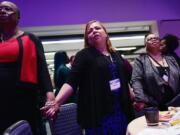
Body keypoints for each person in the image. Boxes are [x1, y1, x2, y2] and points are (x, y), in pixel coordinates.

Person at [42, 20, 134, 135]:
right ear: (87, 38)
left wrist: (131, 93)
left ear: (106, 34)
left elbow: (123, 78)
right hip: (98, 113)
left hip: (120, 110)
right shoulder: (84, 55)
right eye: (90, 31)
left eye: (97, 28)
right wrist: (57, 102)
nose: (94, 31)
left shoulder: (116, 55)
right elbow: (71, 82)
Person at [0, 1, 55, 135]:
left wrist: (50, 97)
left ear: (18, 16)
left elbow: (42, 69)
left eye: (7, 9)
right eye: (0, 9)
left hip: (24, 101)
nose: (2, 11)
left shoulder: (30, 39)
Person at [131, 33, 180, 114]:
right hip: (153, 104)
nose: (153, 39)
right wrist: (140, 99)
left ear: (160, 42)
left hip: (175, 103)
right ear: (145, 44)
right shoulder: (140, 60)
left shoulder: (171, 58)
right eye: (149, 39)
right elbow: (136, 80)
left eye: (156, 38)